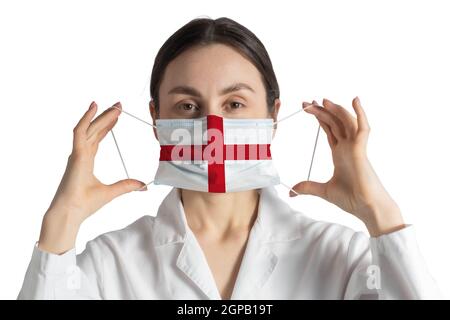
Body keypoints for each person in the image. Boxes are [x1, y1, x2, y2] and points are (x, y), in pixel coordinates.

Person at [18, 17, 441, 300]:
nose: (212, 126)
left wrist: (380, 215)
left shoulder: (341, 256)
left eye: (235, 104)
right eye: (187, 106)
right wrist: (62, 223)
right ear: (155, 118)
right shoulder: (108, 264)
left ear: (273, 115)